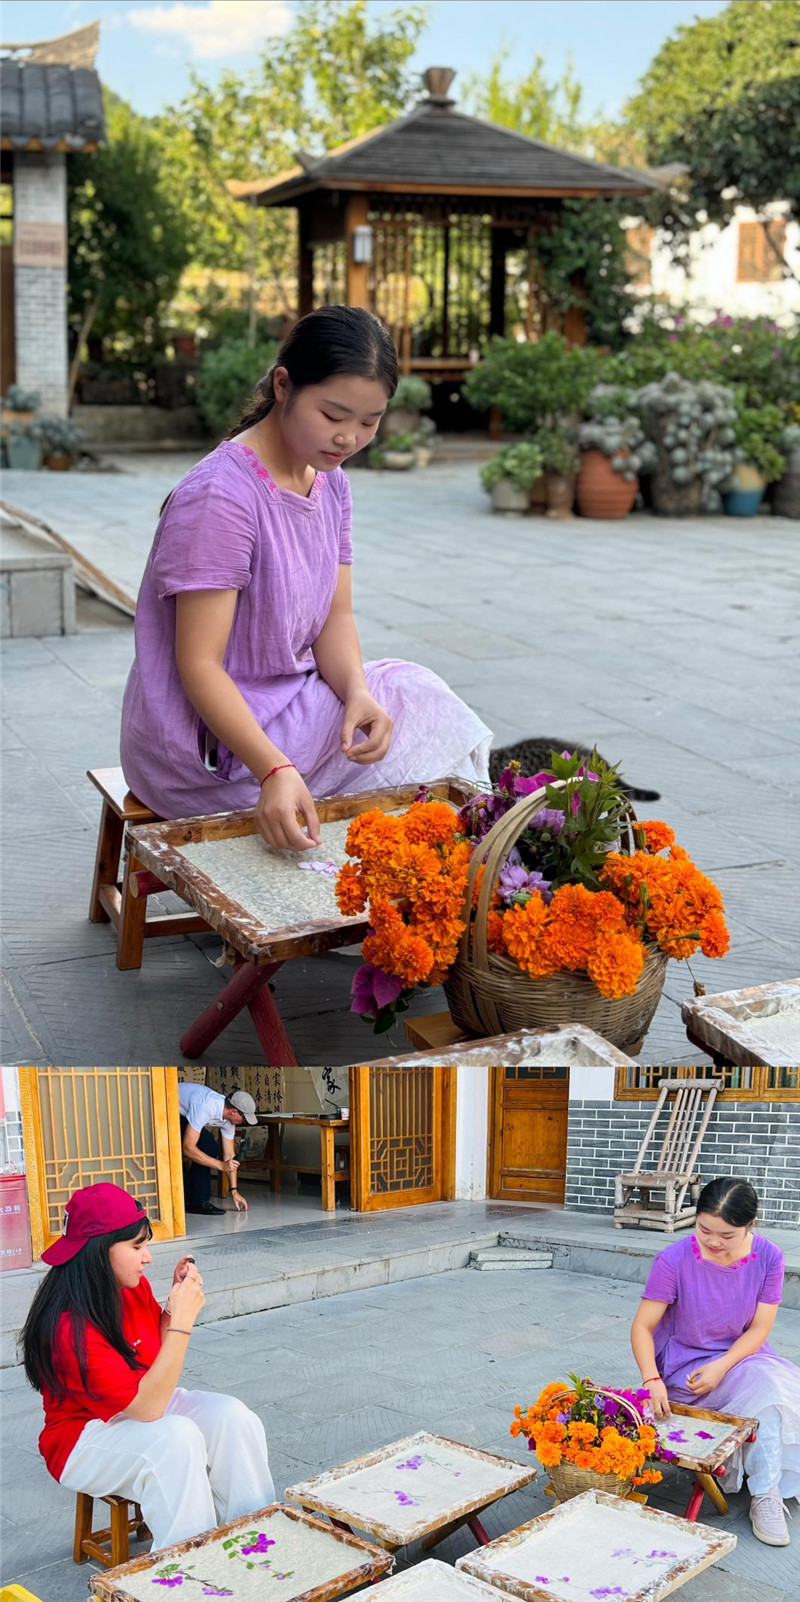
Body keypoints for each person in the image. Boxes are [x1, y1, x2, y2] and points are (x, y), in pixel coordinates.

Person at [120, 304, 491, 850]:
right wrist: (274, 770)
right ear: (283, 385)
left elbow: (333, 617)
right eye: (334, 415)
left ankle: (445, 874)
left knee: (406, 702)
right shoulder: (221, 496)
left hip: (282, 706)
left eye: (369, 421)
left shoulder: (330, 484)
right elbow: (197, 664)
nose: (349, 438)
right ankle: (441, 876)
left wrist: (357, 692)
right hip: (205, 750)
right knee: (422, 709)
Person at [21, 1183, 274, 1552]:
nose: (148, 1257)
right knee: (177, 1440)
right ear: (98, 1252)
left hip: (134, 1402)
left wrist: (172, 1307)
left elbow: (153, 1357)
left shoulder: (128, 1285)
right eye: (137, 1246)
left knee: (233, 1417)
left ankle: (256, 1537)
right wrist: (184, 1321)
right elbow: (150, 1406)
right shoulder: (67, 1327)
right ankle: (188, 1567)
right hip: (82, 1435)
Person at [631, 1176, 799, 1548]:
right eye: (704, 1229)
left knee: (772, 1390)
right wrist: (650, 1379)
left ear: (750, 1225)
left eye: (726, 1235)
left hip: (739, 1361)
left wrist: (723, 1364)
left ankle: (766, 1495)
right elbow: (643, 1327)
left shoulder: (769, 1257)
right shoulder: (674, 1259)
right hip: (683, 1371)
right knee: (765, 1388)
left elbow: (758, 1330)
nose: (712, 1242)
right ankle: (761, 1484)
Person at [178, 1083, 257, 1216]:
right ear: (234, 1111)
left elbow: (229, 1156)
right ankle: (198, 1201)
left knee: (210, 1147)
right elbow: (187, 1148)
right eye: (243, 1119)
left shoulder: (229, 1120)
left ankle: (191, 1197)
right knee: (208, 1146)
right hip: (166, 1106)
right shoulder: (207, 1106)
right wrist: (220, 1165)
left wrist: (234, 1190)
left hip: (185, 1113)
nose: (244, 1122)